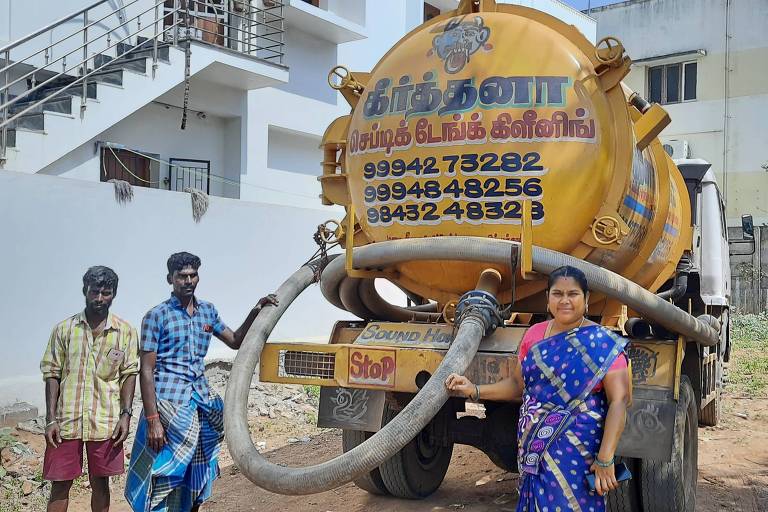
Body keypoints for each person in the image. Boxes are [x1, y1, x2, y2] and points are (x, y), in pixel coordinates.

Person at [445, 265, 631, 511]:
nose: (565, 300)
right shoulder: (534, 335)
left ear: (586, 299)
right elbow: (516, 385)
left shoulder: (602, 343)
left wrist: (606, 457)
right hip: (533, 447)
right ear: (548, 299)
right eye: (557, 294)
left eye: (573, 294)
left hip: (578, 448)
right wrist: (474, 390)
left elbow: (620, 401)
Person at [125, 251, 278, 512]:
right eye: (181, 276)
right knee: (166, 472)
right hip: (169, 406)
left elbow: (235, 340)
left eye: (192, 275)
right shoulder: (156, 316)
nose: (188, 281)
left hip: (200, 402)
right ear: (170, 279)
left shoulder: (208, 311)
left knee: (197, 471)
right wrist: (153, 421)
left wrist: (256, 310)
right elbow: (146, 370)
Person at [40, 266, 139, 512]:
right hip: (66, 421)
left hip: (105, 420)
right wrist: (51, 420)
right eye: (94, 291)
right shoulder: (64, 330)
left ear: (114, 294)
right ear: (85, 290)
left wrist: (125, 416)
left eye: (106, 293)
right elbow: (52, 373)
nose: (99, 298)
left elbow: (129, 373)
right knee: (60, 484)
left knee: (100, 482)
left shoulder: (125, 332)